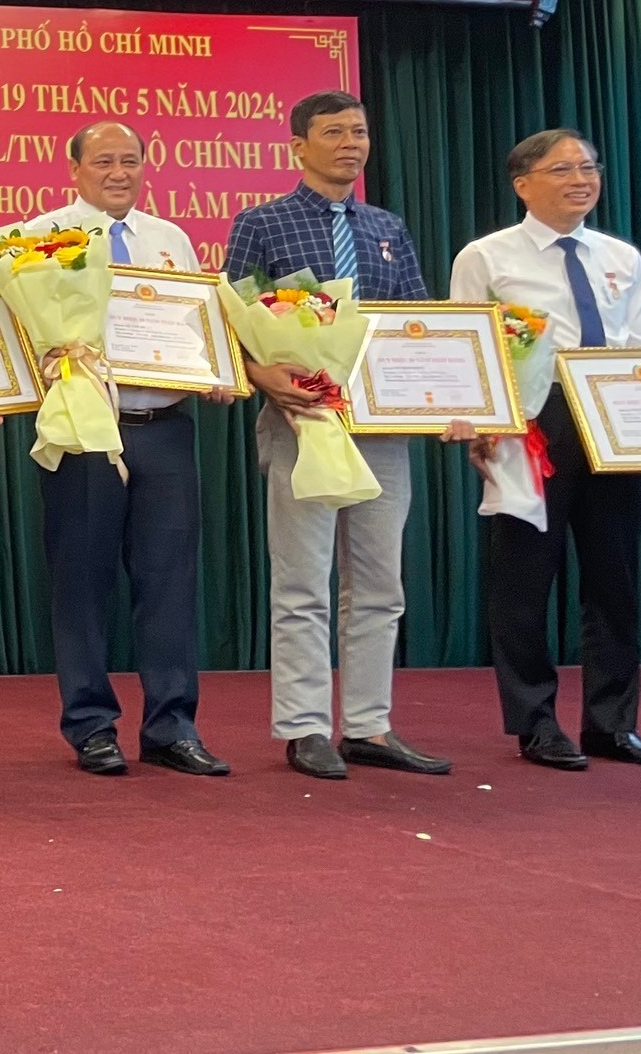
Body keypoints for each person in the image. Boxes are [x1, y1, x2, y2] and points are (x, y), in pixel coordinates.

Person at [225, 90, 455, 782]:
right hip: (302, 422)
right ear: (299, 146)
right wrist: (262, 374)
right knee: (303, 584)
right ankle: (304, 727)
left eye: (359, 131)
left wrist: (449, 395)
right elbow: (231, 320)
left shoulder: (388, 225)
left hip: (380, 427)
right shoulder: (261, 222)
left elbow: (418, 321)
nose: (351, 143)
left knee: (381, 585)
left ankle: (368, 725)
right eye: (334, 132)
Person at [450, 129, 641, 771]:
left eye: (589, 167)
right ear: (522, 184)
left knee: (615, 580)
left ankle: (612, 724)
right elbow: (467, 346)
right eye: (563, 169)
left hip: (613, 420)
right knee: (524, 580)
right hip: (534, 424)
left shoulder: (621, 256)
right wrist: (481, 423)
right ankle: (536, 723)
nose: (581, 179)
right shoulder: (486, 256)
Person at [28, 123, 233, 778]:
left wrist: (216, 369)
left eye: (130, 161)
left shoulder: (170, 239)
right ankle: (91, 726)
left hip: (165, 427)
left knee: (169, 582)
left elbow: (195, 325)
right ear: (74, 169)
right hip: (86, 428)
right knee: (82, 583)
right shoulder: (39, 238)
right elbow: (18, 331)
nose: (119, 172)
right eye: (104, 161)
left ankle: (172, 727)